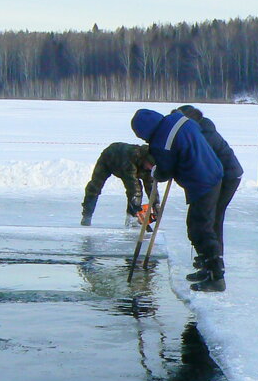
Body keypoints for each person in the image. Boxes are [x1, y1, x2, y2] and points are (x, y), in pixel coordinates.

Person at [131, 107, 225, 292]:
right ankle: (207, 269)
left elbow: (164, 172)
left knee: (200, 229)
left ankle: (216, 276)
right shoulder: (180, 119)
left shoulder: (161, 142)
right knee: (197, 226)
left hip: (202, 181)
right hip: (214, 172)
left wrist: (156, 171)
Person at [175, 105, 243, 282]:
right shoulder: (199, 130)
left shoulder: (204, 134)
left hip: (227, 177)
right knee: (208, 218)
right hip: (220, 176)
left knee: (212, 218)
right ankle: (208, 260)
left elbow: (199, 161)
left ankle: (214, 264)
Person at [80, 142, 156, 227]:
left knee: (138, 190)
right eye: (150, 165)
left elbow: (151, 186)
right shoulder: (130, 160)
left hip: (125, 162)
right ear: (144, 160)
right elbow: (133, 188)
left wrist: (156, 204)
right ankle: (87, 216)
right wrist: (135, 212)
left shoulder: (148, 166)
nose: (150, 168)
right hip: (109, 158)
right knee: (95, 187)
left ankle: (132, 217)